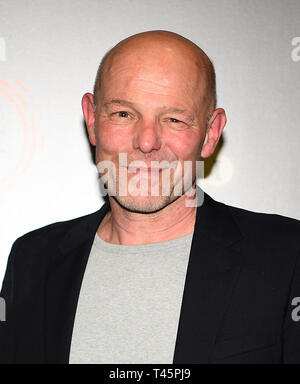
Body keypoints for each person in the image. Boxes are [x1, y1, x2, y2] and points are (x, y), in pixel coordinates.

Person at [0, 30, 299, 364]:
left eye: (174, 119)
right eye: (123, 114)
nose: (146, 142)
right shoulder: (32, 262)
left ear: (210, 133)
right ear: (92, 119)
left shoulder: (287, 257)